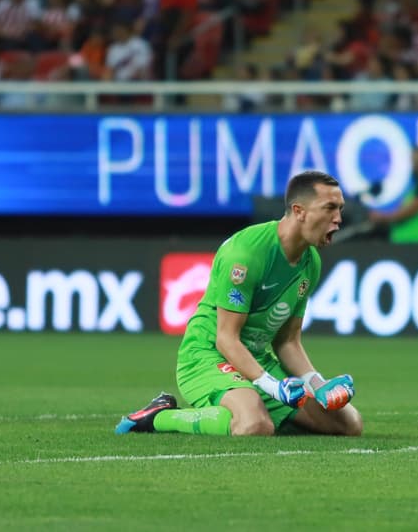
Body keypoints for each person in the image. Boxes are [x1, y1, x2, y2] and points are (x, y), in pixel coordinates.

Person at [115, 171, 362, 437]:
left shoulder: (310, 262)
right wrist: (271, 386)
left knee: (348, 424)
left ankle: (258, 410)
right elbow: (226, 339)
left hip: (254, 359)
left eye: (340, 209)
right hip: (207, 355)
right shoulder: (246, 254)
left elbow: (288, 342)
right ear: (299, 211)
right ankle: (158, 417)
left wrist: (317, 383)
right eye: (330, 208)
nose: (338, 219)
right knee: (254, 425)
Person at [370, 148, 418, 244]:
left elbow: (412, 209)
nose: (414, 165)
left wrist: (384, 218)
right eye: (413, 160)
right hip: (412, 239)